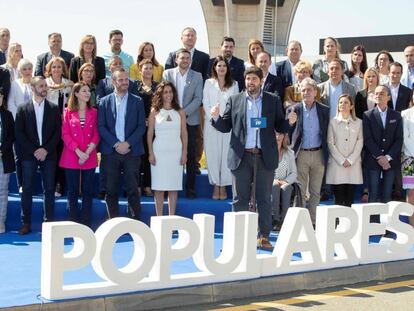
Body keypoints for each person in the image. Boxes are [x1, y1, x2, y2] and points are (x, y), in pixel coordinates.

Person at [211, 66, 288, 250]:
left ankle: (263, 237)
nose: (250, 82)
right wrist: (215, 118)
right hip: (241, 157)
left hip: (264, 157)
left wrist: (290, 122)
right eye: (248, 79)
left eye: (254, 79)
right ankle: (238, 238)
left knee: (264, 199)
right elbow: (225, 126)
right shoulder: (235, 100)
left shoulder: (272, 100)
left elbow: (280, 125)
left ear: (260, 81)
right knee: (240, 199)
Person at [15, 76, 62, 235]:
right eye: (41, 86)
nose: (44, 88)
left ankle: (48, 222)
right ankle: (26, 223)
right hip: (29, 155)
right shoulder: (22, 108)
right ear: (33, 88)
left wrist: (45, 149)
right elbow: (19, 133)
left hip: (49, 154)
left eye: (45, 86)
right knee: (26, 188)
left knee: (49, 189)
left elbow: (57, 133)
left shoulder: (54, 108)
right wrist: (35, 150)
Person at [98, 68, 145, 220]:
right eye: (121, 80)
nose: (125, 83)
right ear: (113, 82)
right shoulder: (104, 102)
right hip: (111, 152)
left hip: (132, 152)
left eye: (126, 80)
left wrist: (128, 143)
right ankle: (113, 222)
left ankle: (134, 222)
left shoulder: (137, 101)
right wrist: (116, 144)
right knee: (111, 190)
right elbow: (101, 126)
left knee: (132, 189)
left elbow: (141, 127)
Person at [287, 77, 330, 225]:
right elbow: (286, 132)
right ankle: (299, 222)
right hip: (301, 154)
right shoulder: (293, 109)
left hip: (318, 154)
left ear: (315, 92)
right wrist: (290, 123)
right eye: (303, 90)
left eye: (309, 90)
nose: (306, 93)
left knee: (315, 191)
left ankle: (313, 222)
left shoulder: (324, 110)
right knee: (299, 191)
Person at [163, 48, 203, 199]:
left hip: (190, 120)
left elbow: (198, 99)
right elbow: (164, 95)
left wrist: (183, 113)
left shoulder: (197, 76)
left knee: (191, 155)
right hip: (170, 119)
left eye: (187, 58)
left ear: (190, 60)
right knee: (172, 154)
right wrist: (174, 113)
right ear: (176, 60)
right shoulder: (168, 74)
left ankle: (190, 188)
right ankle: (170, 187)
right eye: (182, 58)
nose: (185, 60)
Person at [60, 82, 99, 227]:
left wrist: (87, 152)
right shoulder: (67, 112)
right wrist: (78, 152)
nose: (88, 93)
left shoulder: (94, 112)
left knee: (88, 192)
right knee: (73, 191)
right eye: (84, 91)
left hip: (89, 156)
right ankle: (73, 223)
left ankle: (85, 224)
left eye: (89, 91)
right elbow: (65, 134)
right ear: (76, 94)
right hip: (71, 156)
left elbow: (96, 133)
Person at [147, 81, 187, 216]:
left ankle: (171, 218)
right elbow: (150, 133)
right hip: (159, 153)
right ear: (160, 94)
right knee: (159, 188)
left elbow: (184, 133)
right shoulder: (155, 111)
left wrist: (184, 153)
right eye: (165, 92)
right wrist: (150, 153)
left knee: (173, 187)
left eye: (170, 92)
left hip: (176, 153)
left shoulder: (180, 111)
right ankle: (159, 219)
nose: (168, 95)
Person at [203, 56, 238, 200]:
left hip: (227, 124)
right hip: (211, 123)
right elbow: (205, 101)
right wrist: (213, 116)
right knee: (212, 154)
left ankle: (223, 186)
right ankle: (215, 185)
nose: (221, 68)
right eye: (219, 66)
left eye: (224, 66)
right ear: (215, 68)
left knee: (225, 155)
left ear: (227, 68)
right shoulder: (208, 83)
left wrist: (224, 119)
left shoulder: (234, 84)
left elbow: (236, 103)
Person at [363, 85, 403, 204]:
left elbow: (399, 139)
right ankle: (372, 222)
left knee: (387, 196)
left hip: (391, 161)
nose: (378, 96)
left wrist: (388, 157)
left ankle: (387, 222)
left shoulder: (396, 115)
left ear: (388, 97)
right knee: (373, 195)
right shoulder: (367, 115)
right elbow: (367, 139)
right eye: (376, 93)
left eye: (382, 93)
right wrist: (380, 157)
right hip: (373, 160)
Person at [326, 94, 363, 207]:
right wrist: (342, 160)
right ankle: (337, 222)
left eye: (346, 102)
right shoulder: (332, 122)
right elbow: (330, 143)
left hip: (353, 165)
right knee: (338, 200)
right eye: (340, 102)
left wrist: (350, 160)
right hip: (337, 165)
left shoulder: (359, 122)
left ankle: (348, 223)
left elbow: (360, 142)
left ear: (351, 106)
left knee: (349, 200)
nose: (343, 105)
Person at [44, 57, 74, 197]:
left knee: (63, 155)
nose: (56, 69)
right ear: (49, 69)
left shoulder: (70, 84)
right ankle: (49, 185)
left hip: (65, 125)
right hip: (49, 125)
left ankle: (60, 185)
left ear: (63, 69)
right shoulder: (44, 84)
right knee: (51, 155)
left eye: (59, 67)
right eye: (54, 67)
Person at [7, 58, 33, 193]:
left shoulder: (36, 83)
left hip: (35, 126)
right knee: (19, 155)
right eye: (24, 69)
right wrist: (21, 119)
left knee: (32, 157)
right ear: (20, 71)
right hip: (19, 125)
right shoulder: (14, 84)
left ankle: (31, 184)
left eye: (29, 68)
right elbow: (11, 104)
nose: (27, 71)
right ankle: (21, 184)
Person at [355, 67, 380, 203]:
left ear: (377, 78)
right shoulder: (360, 94)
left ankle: (377, 190)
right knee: (366, 161)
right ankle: (366, 189)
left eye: (373, 76)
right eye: (368, 77)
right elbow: (358, 115)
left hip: (380, 134)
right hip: (364, 132)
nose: (371, 79)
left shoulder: (382, 92)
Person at [137, 59, 158, 197]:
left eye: (150, 68)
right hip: (138, 127)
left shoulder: (158, 87)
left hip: (154, 127)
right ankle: (138, 185)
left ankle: (148, 185)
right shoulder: (135, 86)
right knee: (139, 157)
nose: (148, 70)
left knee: (151, 156)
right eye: (145, 68)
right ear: (140, 70)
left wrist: (151, 120)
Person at [271, 131, 297, 230]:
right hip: (271, 182)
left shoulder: (290, 153)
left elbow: (294, 173)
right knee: (275, 186)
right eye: (275, 134)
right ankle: (275, 219)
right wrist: (273, 180)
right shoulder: (266, 152)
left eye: (280, 134)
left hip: (286, 182)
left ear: (284, 136)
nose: (277, 136)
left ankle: (285, 220)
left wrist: (285, 181)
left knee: (285, 187)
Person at [0, 87, 16, 233]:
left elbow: (12, 136)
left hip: (3, 158)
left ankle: (1, 222)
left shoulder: (7, 115)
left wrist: (2, 149)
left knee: (2, 191)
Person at [401, 92, 414, 226]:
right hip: (409, 159)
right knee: (411, 192)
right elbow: (405, 137)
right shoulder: (405, 114)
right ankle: (412, 226)